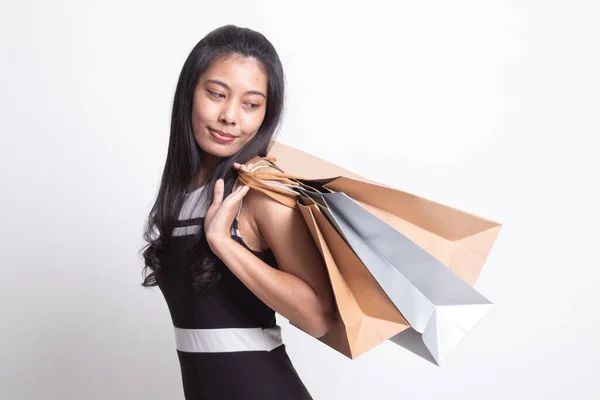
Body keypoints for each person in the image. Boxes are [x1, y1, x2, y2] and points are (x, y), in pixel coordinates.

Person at [141, 24, 334, 400]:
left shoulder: (259, 193)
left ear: (267, 112)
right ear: (189, 94)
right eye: (216, 94)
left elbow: (318, 317)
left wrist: (223, 243)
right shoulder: (182, 192)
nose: (230, 116)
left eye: (251, 104)